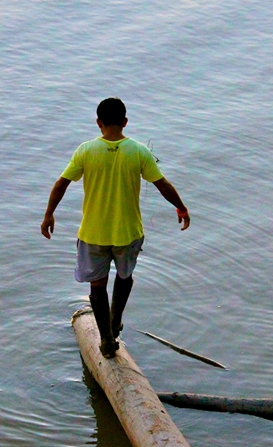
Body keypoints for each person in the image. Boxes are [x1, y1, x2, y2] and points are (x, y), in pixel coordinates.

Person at [41, 98, 190, 358]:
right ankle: (114, 321)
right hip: (127, 233)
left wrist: (49, 215)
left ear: (98, 123)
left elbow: (61, 183)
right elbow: (162, 184)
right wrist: (181, 208)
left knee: (97, 287)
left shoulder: (86, 151)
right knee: (124, 276)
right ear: (125, 122)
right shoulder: (138, 151)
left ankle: (106, 339)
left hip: (93, 233)